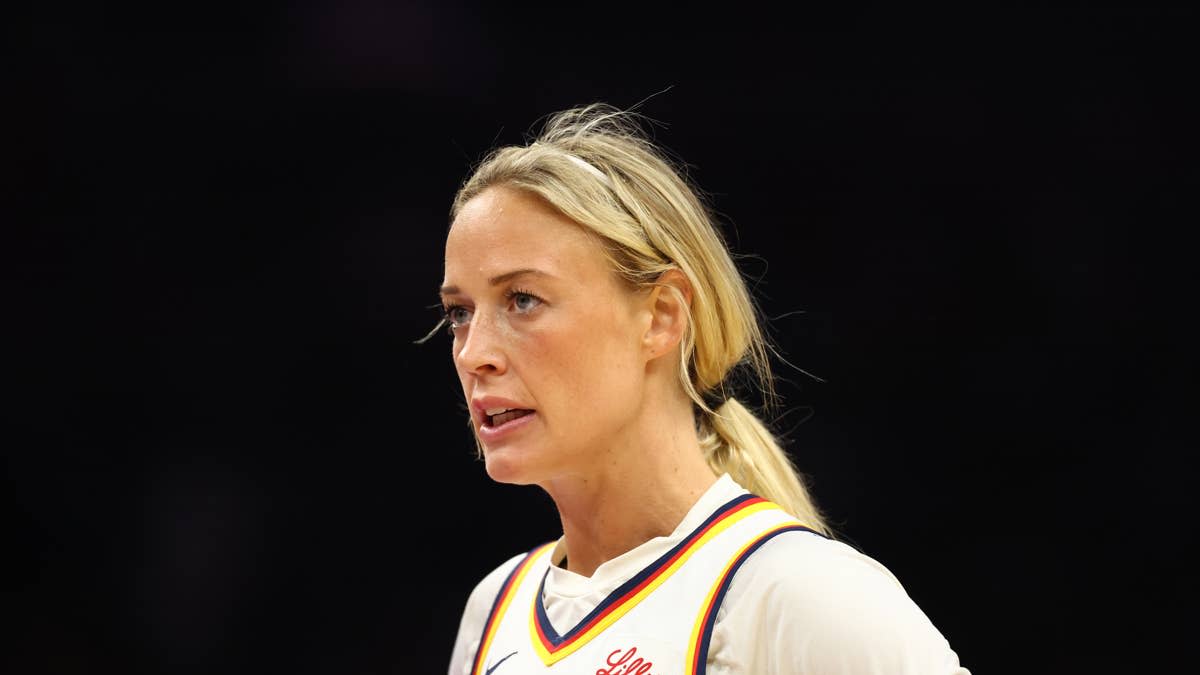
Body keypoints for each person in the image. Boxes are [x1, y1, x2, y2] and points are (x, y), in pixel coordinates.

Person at [433, 103, 970, 674]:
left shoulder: (802, 594)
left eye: (522, 300)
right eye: (459, 313)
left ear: (661, 316)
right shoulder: (493, 611)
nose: (473, 353)